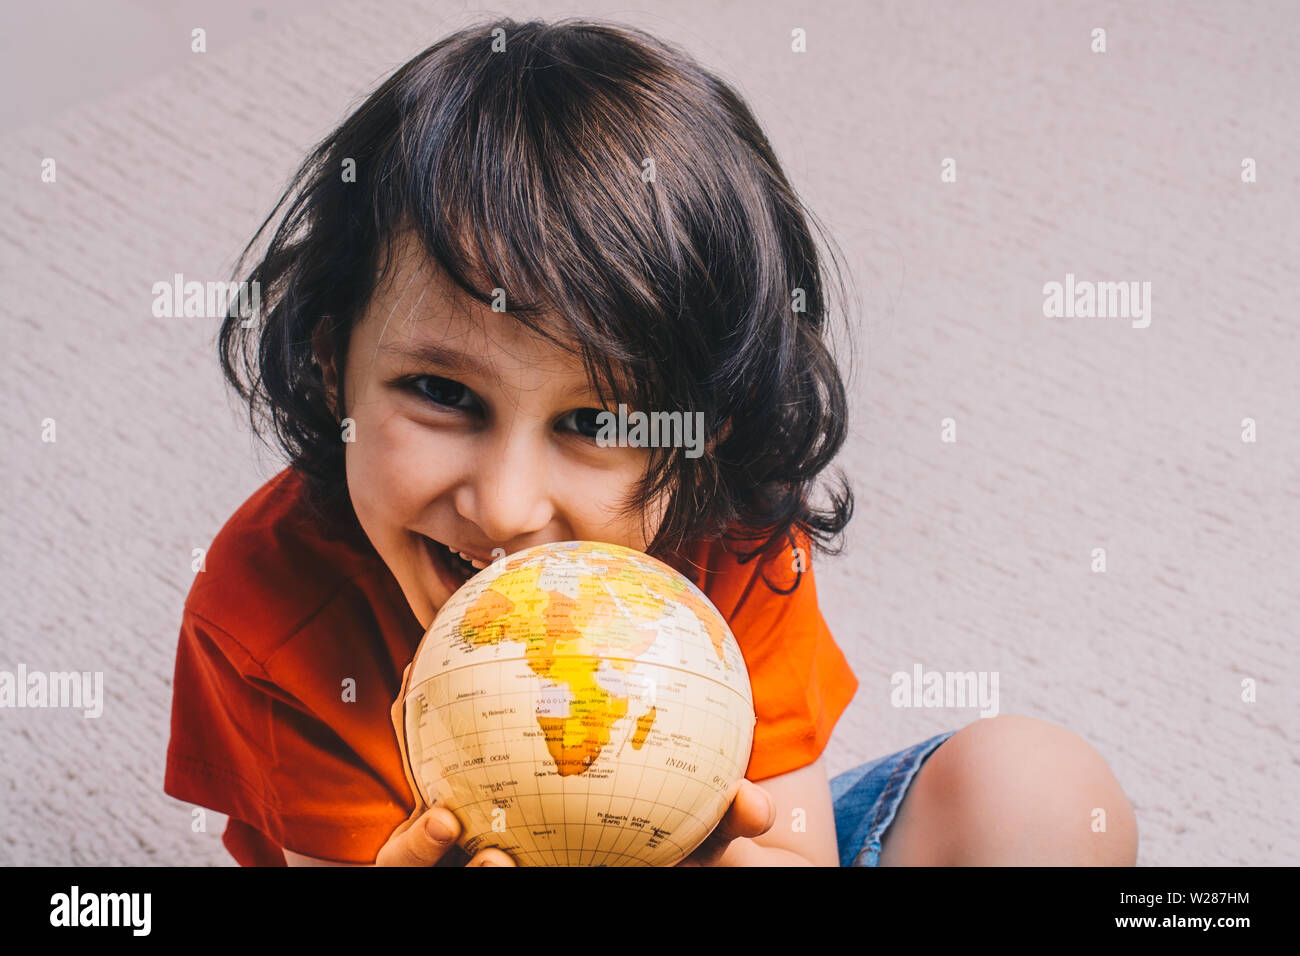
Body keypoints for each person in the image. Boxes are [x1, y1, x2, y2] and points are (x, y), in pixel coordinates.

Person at [163, 17, 1137, 867]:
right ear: (335, 367)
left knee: (1038, 790)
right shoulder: (269, 607)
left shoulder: (729, 539)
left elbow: (793, 840)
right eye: (440, 392)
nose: (505, 504)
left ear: (701, 438)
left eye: (593, 424)